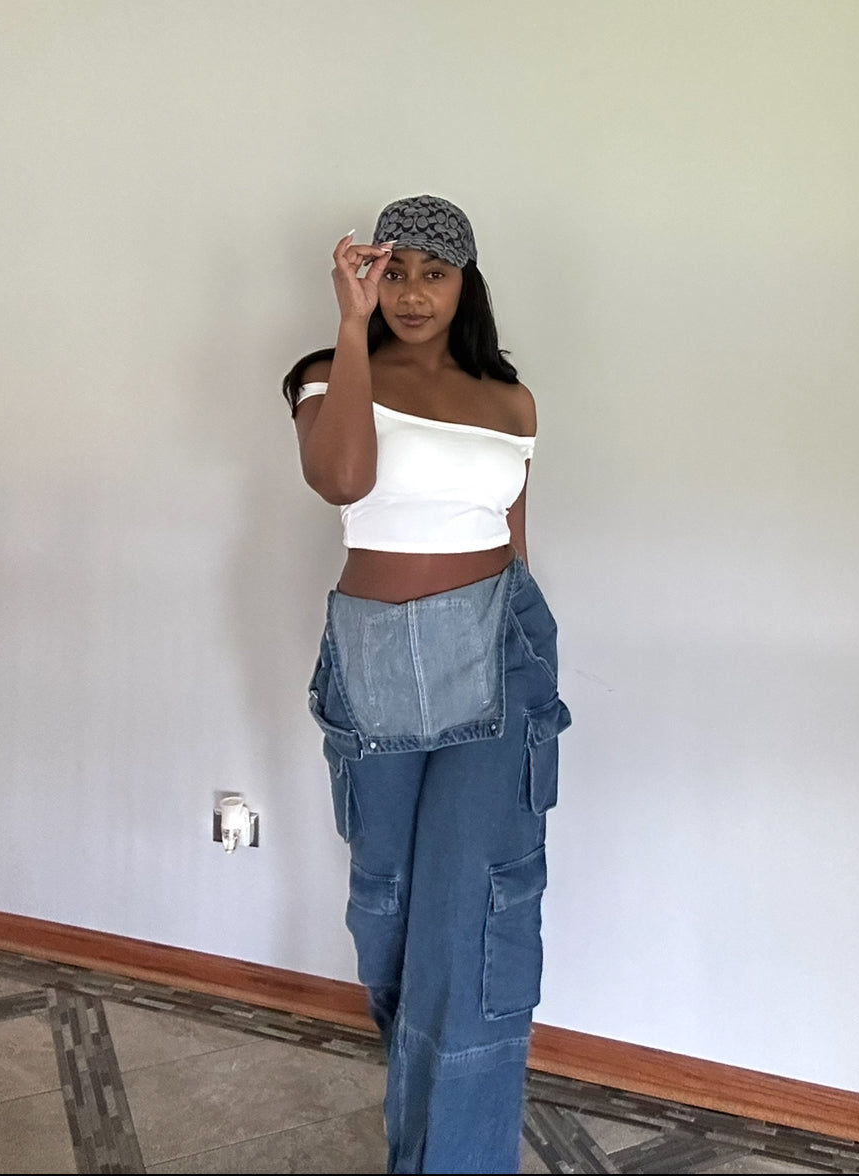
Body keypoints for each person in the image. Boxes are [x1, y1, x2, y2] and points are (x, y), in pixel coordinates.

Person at [281, 194, 571, 1174]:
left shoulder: (511, 401)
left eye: (432, 273)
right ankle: (428, 1127)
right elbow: (341, 480)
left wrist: (534, 651)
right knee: (391, 911)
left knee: (480, 919)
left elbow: (515, 541)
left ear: (465, 284)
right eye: (392, 271)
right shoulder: (330, 375)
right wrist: (349, 322)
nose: (411, 292)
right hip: (377, 664)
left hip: (499, 654)